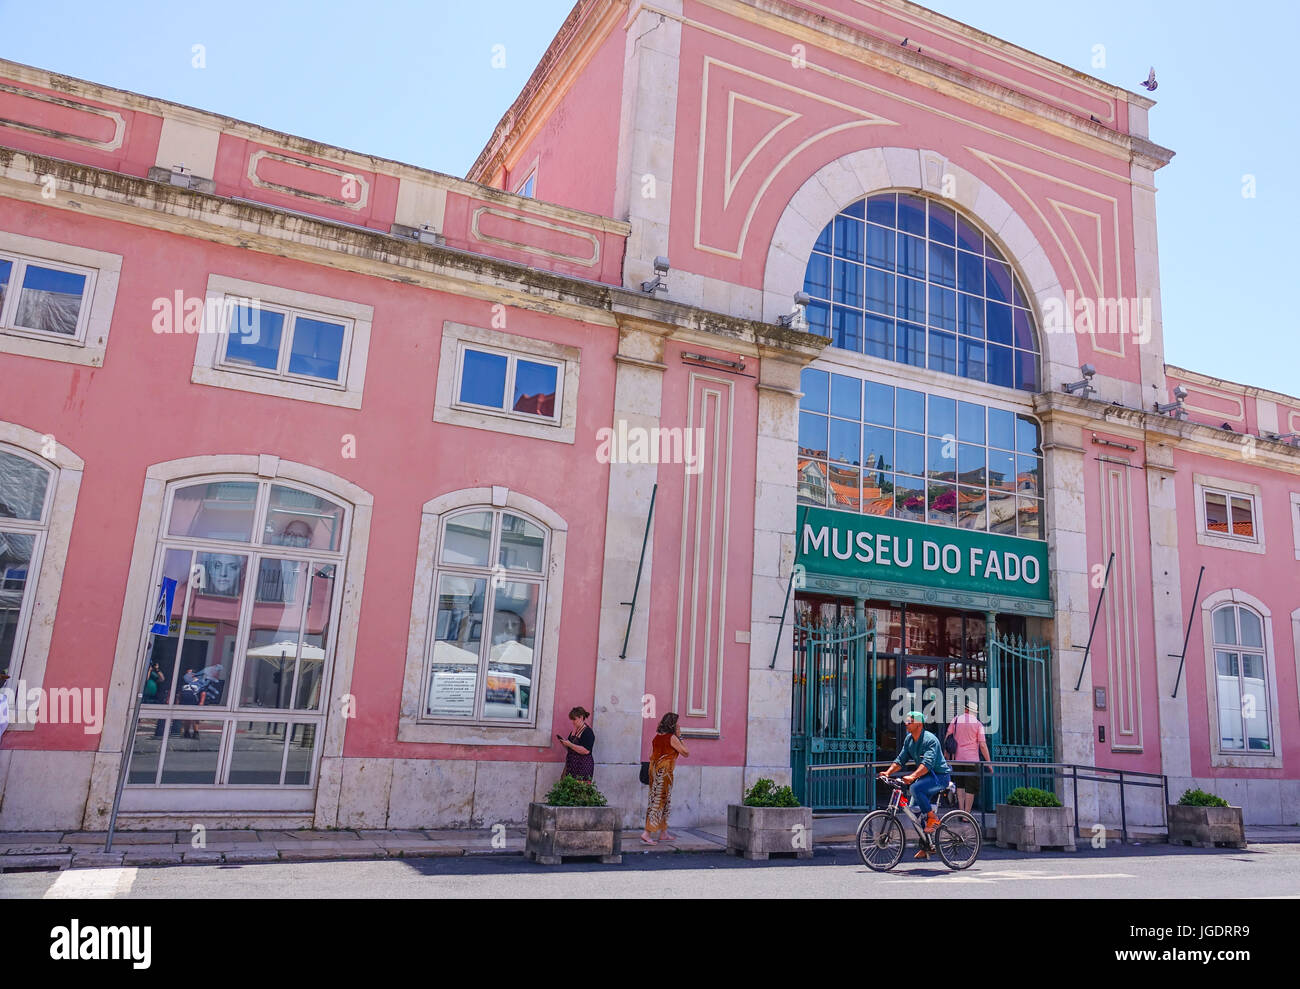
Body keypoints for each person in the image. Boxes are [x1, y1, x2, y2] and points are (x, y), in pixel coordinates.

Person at [879, 710, 951, 859]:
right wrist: (888, 772)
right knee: (914, 813)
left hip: (939, 777)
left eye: (909, 721)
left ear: (919, 724)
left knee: (915, 788)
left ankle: (933, 818)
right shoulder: (909, 739)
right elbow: (901, 759)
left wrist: (912, 776)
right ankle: (927, 846)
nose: (906, 723)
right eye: (906, 721)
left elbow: (927, 764)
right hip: (926, 778)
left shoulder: (930, 740)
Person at [641, 711, 689, 845]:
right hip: (665, 771)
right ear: (673, 724)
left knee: (662, 800)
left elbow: (651, 755)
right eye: (677, 723)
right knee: (659, 801)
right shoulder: (672, 738)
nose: (679, 726)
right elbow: (686, 752)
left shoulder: (656, 737)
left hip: (654, 770)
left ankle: (663, 832)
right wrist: (680, 737)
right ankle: (647, 833)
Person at [945, 698, 991, 812]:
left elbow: (947, 736)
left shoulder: (956, 720)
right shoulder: (978, 724)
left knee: (960, 785)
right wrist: (989, 763)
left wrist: (946, 753)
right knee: (970, 787)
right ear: (974, 712)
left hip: (957, 758)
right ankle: (967, 813)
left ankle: (960, 810)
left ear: (965, 709)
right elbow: (982, 745)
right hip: (972, 760)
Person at [556, 706, 595, 782]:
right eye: (572, 719)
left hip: (583, 767)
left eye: (574, 719)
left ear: (581, 717)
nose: (573, 722)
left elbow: (586, 751)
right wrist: (565, 743)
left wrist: (570, 744)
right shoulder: (574, 731)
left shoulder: (588, 732)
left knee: (580, 791)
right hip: (571, 765)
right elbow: (571, 748)